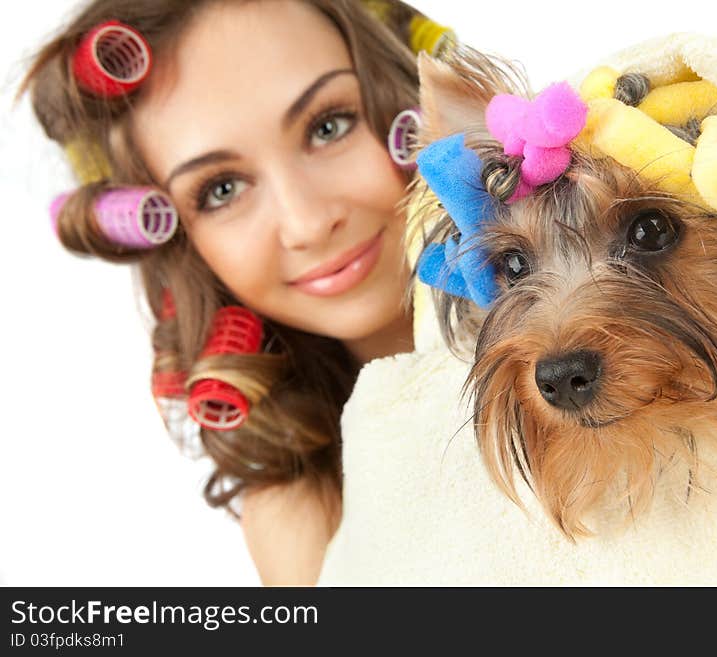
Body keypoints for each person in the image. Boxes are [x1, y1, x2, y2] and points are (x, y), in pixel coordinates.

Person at [20, 0, 451, 585]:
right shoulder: (307, 522)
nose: (306, 222)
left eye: (329, 125)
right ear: (183, 247)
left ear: (405, 92)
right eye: (221, 189)